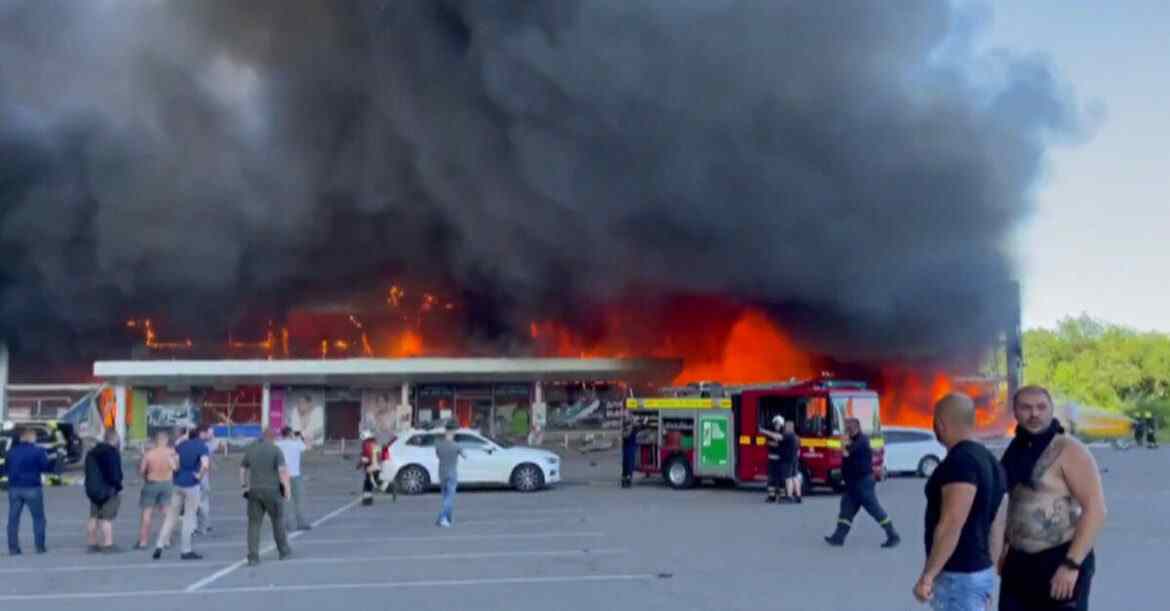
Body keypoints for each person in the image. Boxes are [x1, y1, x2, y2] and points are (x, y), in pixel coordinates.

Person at [998, 386, 1106, 610]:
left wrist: (1071, 565)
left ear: (1051, 410)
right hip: (1018, 564)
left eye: (1041, 407)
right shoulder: (1016, 449)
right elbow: (1012, 502)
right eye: (1026, 407)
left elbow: (1095, 510)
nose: (1034, 413)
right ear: (1015, 412)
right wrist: (1004, 547)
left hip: (1060, 559)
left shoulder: (1070, 450)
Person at [913, 394, 1008, 610]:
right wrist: (988, 575)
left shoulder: (960, 462)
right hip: (977, 572)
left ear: (940, 424)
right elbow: (997, 524)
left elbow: (951, 523)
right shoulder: (991, 461)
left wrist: (928, 576)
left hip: (958, 577)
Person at [825, 417, 901, 548]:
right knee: (846, 509)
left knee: (875, 510)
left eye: (847, 428)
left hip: (863, 483)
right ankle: (838, 537)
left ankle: (893, 535)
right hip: (853, 484)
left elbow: (846, 454)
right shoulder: (855, 440)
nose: (845, 430)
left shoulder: (861, 441)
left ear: (853, 428)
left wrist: (843, 443)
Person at [154, 425, 210, 560]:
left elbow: (171, 459)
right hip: (192, 485)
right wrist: (199, 476)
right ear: (199, 435)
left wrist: (176, 470)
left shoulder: (181, 445)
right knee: (189, 518)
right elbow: (205, 464)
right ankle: (186, 550)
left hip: (178, 483)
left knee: (171, 516)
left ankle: (159, 545)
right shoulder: (202, 446)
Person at [241, 428, 293, 566]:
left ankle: (253, 556)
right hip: (272, 492)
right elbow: (282, 471)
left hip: (254, 491)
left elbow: (242, 468)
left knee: (254, 524)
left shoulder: (251, 449)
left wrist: (243, 484)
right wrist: (287, 489)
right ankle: (283, 551)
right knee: (277, 521)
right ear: (274, 437)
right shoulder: (276, 450)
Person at [5, 427, 51, 555]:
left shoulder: (11, 452)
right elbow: (45, 466)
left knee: (13, 519)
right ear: (32, 438)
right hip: (32, 487)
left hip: (14, 488)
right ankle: (39, 546)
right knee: (38, 518)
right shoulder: (38, 451)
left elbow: (6, 468)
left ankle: (13, 548)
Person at [84, 429, 124, 553]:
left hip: (92, 489)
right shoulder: (112, 452)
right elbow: (115, 473)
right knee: (106, 518)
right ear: (114, 438)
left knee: (93, 516)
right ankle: (108, 545)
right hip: (108, 490)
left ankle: (92, 543)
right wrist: (118, 486)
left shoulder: (91, 453)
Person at [137, 431, 178, 549]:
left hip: (151, 483)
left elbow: (141, 471)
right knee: (166, 513)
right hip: (167, 483)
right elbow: (176, 468)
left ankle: (143, 541)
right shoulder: (172, 453)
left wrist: (142, 460)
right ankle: (166, 540)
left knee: (147, 513)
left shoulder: (149, 454)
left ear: (156, 441)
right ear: (166, 441)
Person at [275, 427, 311, 531]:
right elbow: (308, 446)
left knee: (286, 500)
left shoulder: (278, 444)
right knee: (299, 500)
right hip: (295, 475)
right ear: (290, 434)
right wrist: (304, 436)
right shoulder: (296, 443)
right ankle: (301, 523)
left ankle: (288, 524)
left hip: (282, 475)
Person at [435, 420, 465, 527]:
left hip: (442, 473)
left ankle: (448, 519)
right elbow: (465, 455)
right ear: (453, 432)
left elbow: (438, 456)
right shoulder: (457, 445)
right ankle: (442, 518)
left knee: (445, 497)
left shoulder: (439, 445)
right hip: (452, 473)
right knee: (450, 498)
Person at [196, 427, 218, 536]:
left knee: (198, 503)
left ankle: (201, 526)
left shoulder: (204, 445)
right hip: (203, 478)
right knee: (203, 502)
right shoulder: (206, 446)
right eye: (207, 433)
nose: (209, 435)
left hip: (198, 478)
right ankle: (205, 525)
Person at [761, 415, 785, 503]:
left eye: (778, 424)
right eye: (776, 423)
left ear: (782, 424)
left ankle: (782, 496)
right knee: (771, 479)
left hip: (780, 460)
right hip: (771, 459)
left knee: (782, 479)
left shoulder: (784, 433)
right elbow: (768, 443)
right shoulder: (770, 434)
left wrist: (766, 433)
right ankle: (772, 496)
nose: (777, 425)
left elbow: (779, 440)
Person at [358, 430, 379, 506]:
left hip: (370, 466)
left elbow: (366, 457)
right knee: (371, 482)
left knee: (367, 484)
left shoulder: (366, 444)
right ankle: (368, 499)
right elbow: (378, 454)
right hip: (376, 465)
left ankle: (367, 500)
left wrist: (359, 465)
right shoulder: (375, 443)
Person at [621, 413, 638, 489]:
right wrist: (629, 428)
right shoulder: (626, 427)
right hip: (627, 447)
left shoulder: (633, 426)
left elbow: (639, 425)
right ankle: (625, 480)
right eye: (625, 417)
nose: (625, 418)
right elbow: (625, 435)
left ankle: (627, 479)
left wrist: (632, 425)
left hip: (631, 447)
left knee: (629, 464)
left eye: (627, 417)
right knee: (626, 464)